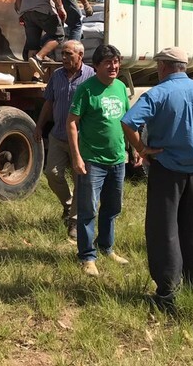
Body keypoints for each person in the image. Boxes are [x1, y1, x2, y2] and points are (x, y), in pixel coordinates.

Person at [121, 47, 193, 310]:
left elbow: (128, 123)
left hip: (166, 169)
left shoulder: (158, 93)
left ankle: (167, 293)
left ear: (163, 66)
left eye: (158, 65)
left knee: (163, 230)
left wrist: (142, 149)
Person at [66, 44, 135, 276]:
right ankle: (87, 257)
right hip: (92, 160)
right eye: (108, 62)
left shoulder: (121, 87)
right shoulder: (86, 89)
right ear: (96, 66)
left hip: (117, 160)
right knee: (88, 210)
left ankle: (106, 247)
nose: (113, 66)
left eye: (116, 62)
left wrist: (133, 149)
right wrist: (76, 156)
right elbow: (72, 122)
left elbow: (126, 121)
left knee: (113, 208)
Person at [34, 39, 95, 242]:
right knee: (52, 173)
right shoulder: (57, 75)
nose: (64, 57)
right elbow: (48, 103)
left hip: (81, 138)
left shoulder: (91, 76)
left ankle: (75, 222)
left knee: (80, 181)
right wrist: (39, 125)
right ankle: (68, 205)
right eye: (62, 53)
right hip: (58, 135)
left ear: (80, 55)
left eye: (69, 54)